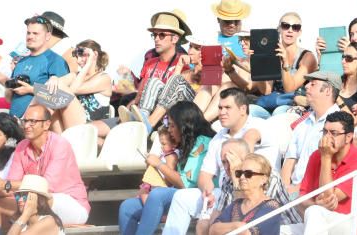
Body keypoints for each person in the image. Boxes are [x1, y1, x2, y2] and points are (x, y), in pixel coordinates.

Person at [163, 89, 270, 235]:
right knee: (181, 197)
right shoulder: (217, 138)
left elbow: (250, 140)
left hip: (258, 189)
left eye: (227, 108)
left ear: (243, 109)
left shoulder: (258, 125)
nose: (221, 112)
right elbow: (205, 175)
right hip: (224, 192)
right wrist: (208, 192)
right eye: (220, 108)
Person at [118, 101, 214, 235]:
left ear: (185, 126)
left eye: (173, 126)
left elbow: (184, 183)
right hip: (179, 194)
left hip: (201, 196)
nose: (169, 130)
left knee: (158, 195)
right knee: (127, 207)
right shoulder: (185, 144)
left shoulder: (202, 142)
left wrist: (159, 164)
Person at [1, 105, 89, 227]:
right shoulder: (21, 146)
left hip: (72, 203)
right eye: (25, 121)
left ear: (47, 124)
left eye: (33, 121)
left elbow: (45, 186)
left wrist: (6, 185)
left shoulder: (60, 144)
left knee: (34, 199)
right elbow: (12, 182)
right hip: (32, 202)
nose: (26, 126)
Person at [291, 111, 357, 235]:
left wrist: (326, 157)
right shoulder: (316, 156)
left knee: (315, 212)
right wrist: (315, 204)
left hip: (353, 225)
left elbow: (328, 198)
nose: (327, 138)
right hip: (320, 221)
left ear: (348, 137)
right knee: (281, 231)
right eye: (325, 132)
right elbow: (302, 199)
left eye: (334, 133)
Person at [130, 12, 194, 132]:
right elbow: (139, 94)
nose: (156, 39)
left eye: (162, 35)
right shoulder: (150, 62)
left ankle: (142, 121)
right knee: (153, 82)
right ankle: (141, 117)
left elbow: (178, 94)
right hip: (148, 110)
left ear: (175, 39)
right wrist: (131, 108)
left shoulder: (183, 63)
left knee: (155, 82)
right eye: (154, 35)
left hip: (169, 116)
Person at [281, 72, 342, 193]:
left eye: (313, 84)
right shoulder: (304, 123)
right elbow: (290, 161)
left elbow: (333, 169)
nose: (306, 86)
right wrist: (283, 190)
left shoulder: (339, 126)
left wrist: (296, 190)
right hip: (293, 191)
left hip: (316, 192)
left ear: (328, 91)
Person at [6, 15, 70, 119]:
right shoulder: (21, 61)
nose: (30, 36)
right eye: (28, 33)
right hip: (14, 124)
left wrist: (31, 89)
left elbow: (62, 99)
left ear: (48, 36)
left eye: (35, 33)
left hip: (37, 126)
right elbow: (9, 98)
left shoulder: (55, 61)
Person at [48, 39, 114, 139]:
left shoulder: (104, 78)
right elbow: (48, 88)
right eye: (76, 55)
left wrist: (89, 63)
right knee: (49, 92)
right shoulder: (75, 76)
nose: (78, 60)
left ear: (94, 55)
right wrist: (53, 78)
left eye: (82, 54)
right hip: (69, 128)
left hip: (88, 132)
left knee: (60, 91)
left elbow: (72, 90)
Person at [256, 12, 317, 115]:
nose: (290, 30)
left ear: (299, 32)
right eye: (285, 26)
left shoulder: (307, 57)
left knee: (278, 112)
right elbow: (266, 91)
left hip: (295, 105)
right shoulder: (273, 54)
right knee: (252, 111)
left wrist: (285, 63)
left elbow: (290, 89)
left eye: (295, 27)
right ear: (279, 29)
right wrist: (257, 64)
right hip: (273, 102)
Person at [208, 153, 280, 235]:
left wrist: (230, 228)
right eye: (239, 173)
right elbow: (213, 229)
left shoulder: (271, 206)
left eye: (248, 174)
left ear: (263, 179)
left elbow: (247, 233)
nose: (242, 177)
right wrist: (236, 226)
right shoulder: (237, 204)